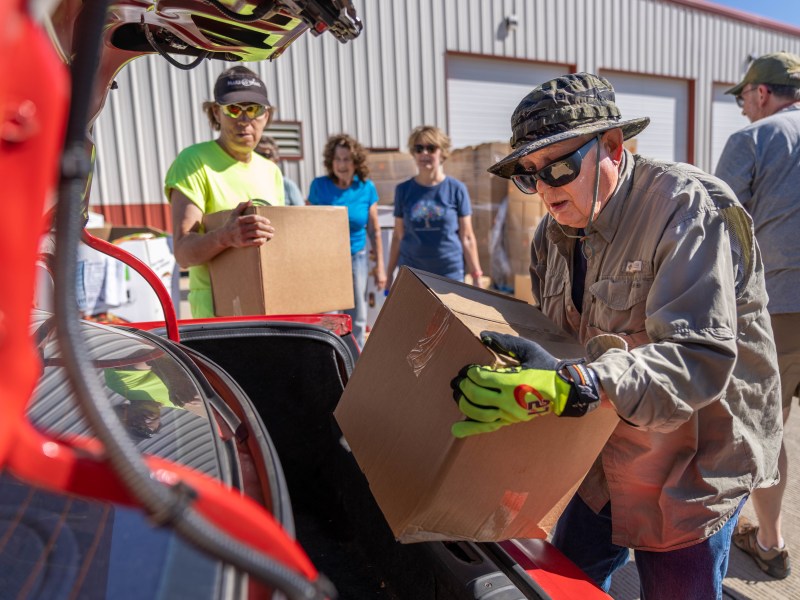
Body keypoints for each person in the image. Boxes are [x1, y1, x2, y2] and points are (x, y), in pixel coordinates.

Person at [449, 72, 783, 598]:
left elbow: (695, 358)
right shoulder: (552, 235)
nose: (545, 189)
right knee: (566, 581)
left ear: (611, 145)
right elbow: (555, 338)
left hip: (691, 466)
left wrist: (574, 385)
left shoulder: (685, 207)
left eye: (558, 167)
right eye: (528, 176)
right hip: (603, 453)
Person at [715, 51, 800, 579]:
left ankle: (769, 543)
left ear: (763, 93)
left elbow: (717, 231)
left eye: (744, 97)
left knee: (764, 428)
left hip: (780, 309)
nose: (744, 108)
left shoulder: (754, 139)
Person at [165, 66, 285, 318]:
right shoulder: (194, 162)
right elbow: (183, 253)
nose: (244, 119)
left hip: (268, 312)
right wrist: (225, 237)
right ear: (215, 113)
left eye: (253, 109)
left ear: (266, 115)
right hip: (218, 319)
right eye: (233, 109)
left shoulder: (271, 171)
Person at [308, 134, 386, 348]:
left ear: (356, 162)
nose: (341, 165)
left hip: (356, 258)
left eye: (347, 159)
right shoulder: (319, 186)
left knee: (357, 316)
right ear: (330, 161)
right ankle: (330, 356)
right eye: (337, 159)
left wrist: (380, 267)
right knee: (329, 316)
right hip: (326, 260)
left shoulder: (366, 187)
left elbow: (374, 230)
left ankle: (356, 359)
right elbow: (307, 225)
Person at [386, 125, 483, 288]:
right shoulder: (403, 190)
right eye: (419, 148)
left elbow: (467, 237)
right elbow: (398, 236)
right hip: (412, 274)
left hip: (449, 274)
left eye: (431, 148)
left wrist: (476, 275)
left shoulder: (456, 189)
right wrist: (389, 274)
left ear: (442, 152)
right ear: (413, 153)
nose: (424, 153)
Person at [256, 134, 305, 206]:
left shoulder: (286, 185)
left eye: (266, 155)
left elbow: (302, 211)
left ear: (276, 159)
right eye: (256, 155)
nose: (260, 159)